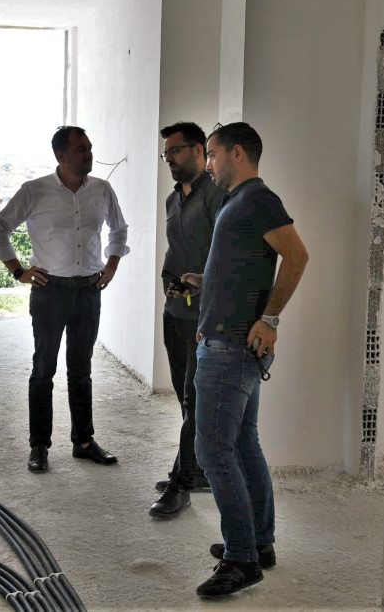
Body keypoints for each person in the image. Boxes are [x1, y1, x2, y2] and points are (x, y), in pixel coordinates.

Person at [180, 122, 309, 598]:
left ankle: (241, 560)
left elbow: (297, 256)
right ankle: (258, 542)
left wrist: (270, 319)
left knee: (213, 451)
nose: (209, 164)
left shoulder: (257, 198)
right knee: (242, 443)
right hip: (228, 343)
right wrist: (206, 282)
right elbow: (243, 266)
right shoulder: (240, 203)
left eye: (212, 155)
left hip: (231, 349)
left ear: (237, 154)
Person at [0, 126, 129, 473]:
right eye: (81, 149)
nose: (89, 154)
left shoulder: (102, 190)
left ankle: (84, 442)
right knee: (43, 370)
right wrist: (18, 271)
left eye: (89, 147)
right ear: (61, 156)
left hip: (89, 291)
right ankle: (39, 446)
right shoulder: (34, 191)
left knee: (81, 371)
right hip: (50, 291)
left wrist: (111, 264)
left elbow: (119, 229)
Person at [149, 122, 226, 520]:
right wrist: (169, 281)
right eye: (166, 154)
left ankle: (180, 485)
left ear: (199, 150)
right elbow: (174, 251)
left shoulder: (218, 195)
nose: (170, 160)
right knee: (185, 397)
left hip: (205, 316)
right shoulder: (172, 199)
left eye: (176, 151)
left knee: (196, 401)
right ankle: (194, 470)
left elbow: (225, 256)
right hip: (175, 312)